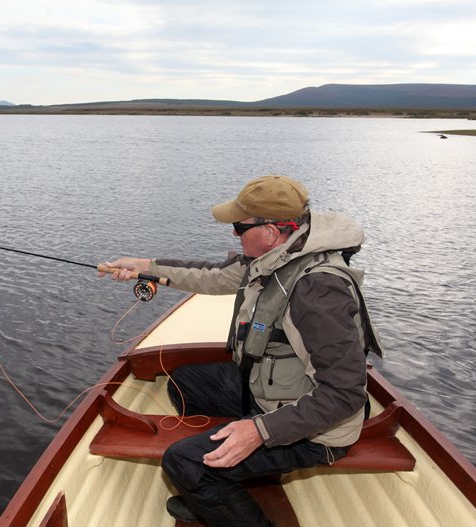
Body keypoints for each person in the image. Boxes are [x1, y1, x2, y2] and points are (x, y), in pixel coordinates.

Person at [100, 175, 384, 527]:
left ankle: (216, 483)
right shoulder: (280, 253)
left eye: (239, 227)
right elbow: (212, 275)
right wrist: (144, 267)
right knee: (185, 384)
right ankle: (221, 485)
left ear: (271, 232)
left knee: (183, 463)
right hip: (271, 394)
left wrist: (259, 432)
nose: (234, 235)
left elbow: (344, 394)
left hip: (317, 430)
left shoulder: (318, 292)